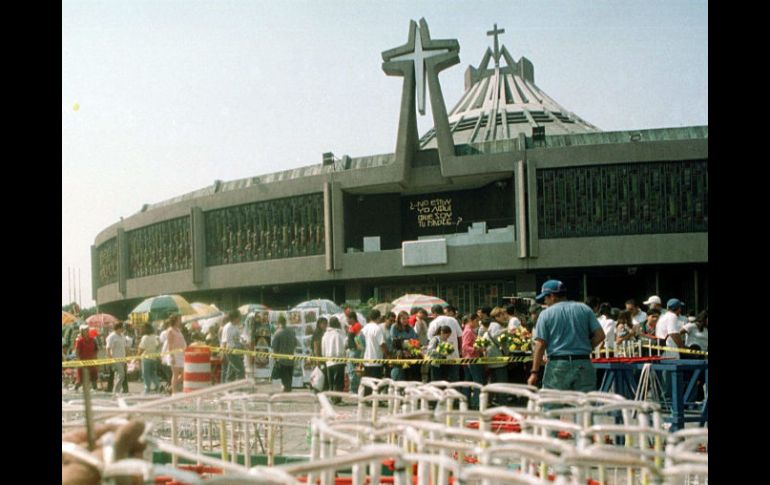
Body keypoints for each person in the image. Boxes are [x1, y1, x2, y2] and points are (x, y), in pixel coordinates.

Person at [528, 280, 605, 391]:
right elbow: (600, 335)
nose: (545, 300)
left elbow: (540, 344)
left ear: (553, 296)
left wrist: (534, 372)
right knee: (585, 405)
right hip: (583, 363)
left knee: (553, 405)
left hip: (558, 365)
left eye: (545, 297)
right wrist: (586, 346)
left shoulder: (545, 314)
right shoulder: (585, 309)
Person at [360, 309, 387, 394]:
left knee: (368, 381)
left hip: (366, 359)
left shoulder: (364, 328)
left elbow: (358, 342)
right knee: (376, 382)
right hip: (376, 359)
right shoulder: (377, 329)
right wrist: (387, 354)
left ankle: (367, 398)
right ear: (378, 318)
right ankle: (374, 399)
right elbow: (382, 344)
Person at [460, 314, 483, 409]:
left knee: (468, 382)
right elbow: (465, 346)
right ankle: (475, 403)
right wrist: (475, 349)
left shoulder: (469, 330)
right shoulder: (468, 331)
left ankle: (466, 402)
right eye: (477, 321)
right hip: (471, 359)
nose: (478, 323)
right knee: (477, 382)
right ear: (471, 320)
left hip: (470, 359)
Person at [322, 316, 346, 403]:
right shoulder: (338, 334)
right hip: (338, 360)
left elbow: (323, 349)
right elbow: (341, 348)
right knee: (338, 381)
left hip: (328, 361)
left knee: (331, 381)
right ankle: (337, 399)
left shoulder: (325, 335)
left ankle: (332, 398)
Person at [390, 311, 419, 381]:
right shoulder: (394, 327)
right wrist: (405, 347)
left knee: (418, 357)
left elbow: (415, 342)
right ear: (399, 319)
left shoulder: (411, 328)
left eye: (407, 318)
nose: (405, 320)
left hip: (410, 351)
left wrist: (409, 348)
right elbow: (395, 341)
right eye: (403, 318)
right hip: (398, 351)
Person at [271, 316, 297, 392]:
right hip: (291, 358)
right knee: (289, 376)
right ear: (285, 322)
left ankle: (287, 391)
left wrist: (275, 358)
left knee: (285, 378)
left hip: (282, 360)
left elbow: (274, 347)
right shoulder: (292, 331)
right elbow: (295, 343)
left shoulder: (277, 333)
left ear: (278, 323)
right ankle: (289, 389)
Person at [162, 314, 187, 394]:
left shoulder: (178, 330)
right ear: (175, 320)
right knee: (175, 374)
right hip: (174, 354)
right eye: (179, 319)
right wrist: (172, 357)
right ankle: (174, 392)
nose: (180, 320)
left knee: (184, 373)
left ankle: (171, 387)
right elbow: (170, 344)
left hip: (181, 354)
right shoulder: (170, 331)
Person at [221, 310, 245, 382]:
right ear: (235, 318)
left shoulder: (236, 326)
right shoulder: (227, 327)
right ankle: (239, 388)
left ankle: (228, 388)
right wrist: (223, 354)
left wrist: (244, 344)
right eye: (239, 317)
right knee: (240, 370)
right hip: (231, 352)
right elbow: (224, 342)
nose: (240, 318)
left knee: (231, 372)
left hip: (236, 351)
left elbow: (238, 339)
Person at [137, 322, 161, 393]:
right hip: (153, 357)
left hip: (146, 358)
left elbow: (141, 348)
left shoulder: (145, 337)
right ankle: (157, 386)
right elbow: (158, 345)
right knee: (153, 373)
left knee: (145, 374)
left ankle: (147, 388)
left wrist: (136, 357)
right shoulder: (155, 337)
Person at [73, 324, 98, 391]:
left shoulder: (93, 340)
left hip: (92, 361)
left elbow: (96, 350)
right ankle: (76, 388)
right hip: (82, 361)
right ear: (81, 331)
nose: (86, 331)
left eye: (87, 330)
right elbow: (77, 352)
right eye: (84, 330)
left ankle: (95, 389)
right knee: (81, 379)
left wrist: (96, 359)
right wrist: (79, 361)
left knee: (93, 376)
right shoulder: (79, 341)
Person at [106, 322, 128, 396]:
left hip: (122, 359)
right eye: (122, 327)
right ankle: (116, 391)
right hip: (115, 358)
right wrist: (110, 359)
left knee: (119, 375)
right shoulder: (112, 336)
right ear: (119, 328)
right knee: (122, 374)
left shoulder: (122, 336)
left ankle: (116, 391)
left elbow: (125, 347)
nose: (123, 329)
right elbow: (108, 348)